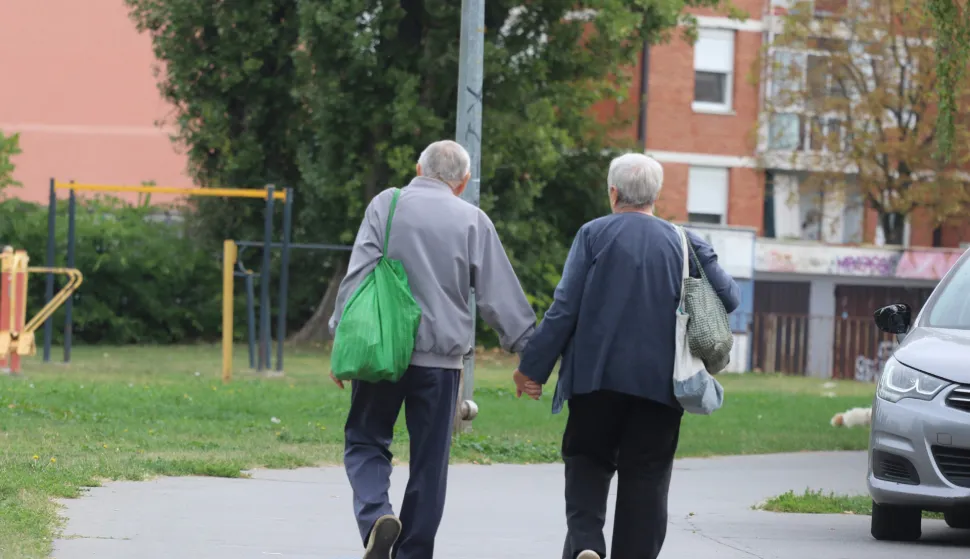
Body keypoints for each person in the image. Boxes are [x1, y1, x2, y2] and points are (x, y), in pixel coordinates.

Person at [511, 153, 740, 559]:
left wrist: (533, 369)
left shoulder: (593, 234)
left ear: (613, 192)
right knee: (647, 480)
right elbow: (731, 298)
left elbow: (565, 308)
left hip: (594, 380)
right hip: (661, 385)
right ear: (656, 194)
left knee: (586, 461)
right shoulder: (683, 240)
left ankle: (586, 545)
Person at [329, 140, 537, 559]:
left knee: (366, 441)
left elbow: (357, 275)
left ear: (417, 169)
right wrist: (529, 352)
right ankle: (413, 553)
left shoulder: (385, 206)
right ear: (462, 183)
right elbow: (499, 296)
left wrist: (340, 340)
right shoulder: (473, 221)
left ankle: (375, 517)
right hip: (440, 365)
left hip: (380, 352)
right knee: (430, 463)